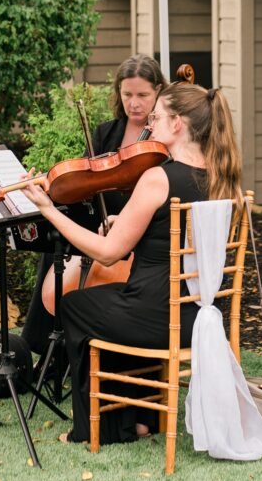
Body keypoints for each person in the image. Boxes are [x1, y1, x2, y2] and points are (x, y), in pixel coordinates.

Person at [23, 79, 242, 444]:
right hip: (198, 315)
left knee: (76, 305)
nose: (149, 125)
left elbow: (108, 253)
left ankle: (100, 428)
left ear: (177, 123)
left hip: (156, 317)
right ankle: (142, 419)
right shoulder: (222, 179)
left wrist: (49, 211)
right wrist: (124, 223)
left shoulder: (157, 178)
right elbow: (173, 236)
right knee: (112, 302)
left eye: (156, 117)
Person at [21, 54, 167, 356]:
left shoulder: (163, 139)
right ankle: (43, 345)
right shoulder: (106, 132)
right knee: (56, 243)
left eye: (142, 95)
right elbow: (89, 180)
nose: (134, 103)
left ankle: (80, 344)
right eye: (127, 94)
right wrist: (53, 185)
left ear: (158, 93)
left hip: (135, 230)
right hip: (102, 221)